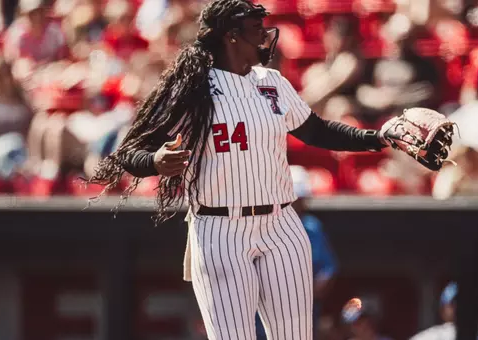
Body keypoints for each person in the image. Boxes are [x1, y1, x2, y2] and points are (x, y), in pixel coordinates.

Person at [87, 1, 392, 339]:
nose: (265, 34)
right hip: (220, 227)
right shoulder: (192, 87)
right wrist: (156, 161)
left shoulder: (272, 82)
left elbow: (317, 131)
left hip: (281, 223)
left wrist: (378, 137)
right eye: (256, 29)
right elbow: (128, 152)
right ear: (231, 36)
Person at [255, 165, 338, 339]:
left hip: (304, 313)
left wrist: (303, 294)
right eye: (295, 199)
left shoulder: (311, 226)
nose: (299, 204)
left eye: (301, 199)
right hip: (264, 316)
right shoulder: (261, 226)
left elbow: (327, 270)